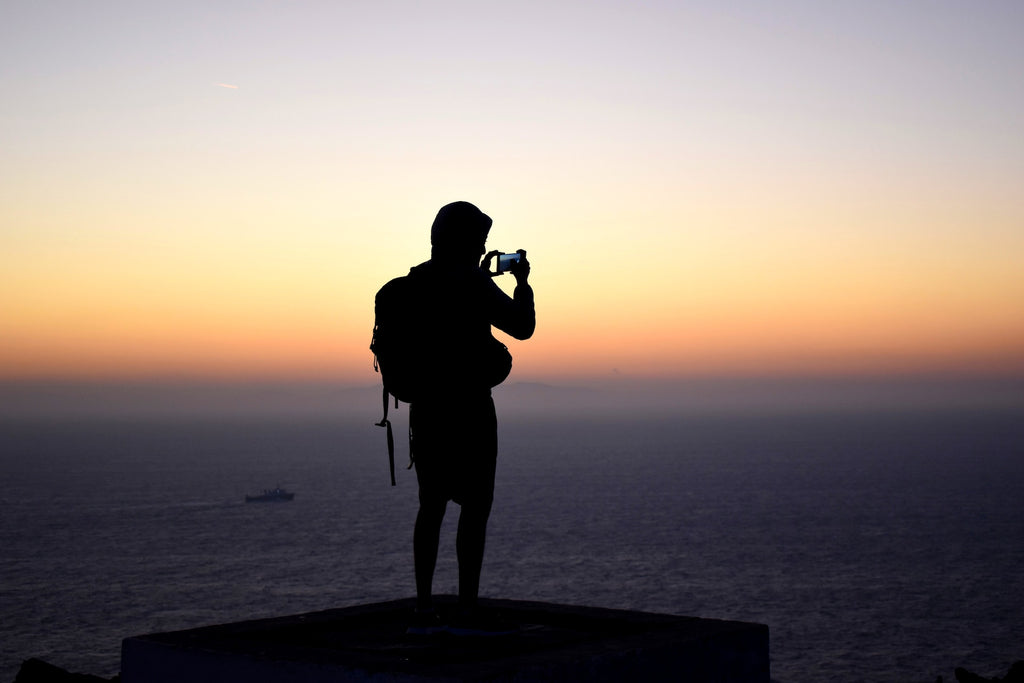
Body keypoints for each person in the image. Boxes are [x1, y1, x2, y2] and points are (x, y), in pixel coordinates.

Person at [404, 201, 535, 635]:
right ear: (464, 239)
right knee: (475, 508)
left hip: (426, 410)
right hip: (471, 410)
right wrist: (522, 284)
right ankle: (466, 606)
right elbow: (522, 327)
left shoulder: (417, 280)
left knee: (431, 506)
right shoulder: (473, 280)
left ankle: (423, 604)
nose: (482, 246)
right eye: (478, 239)